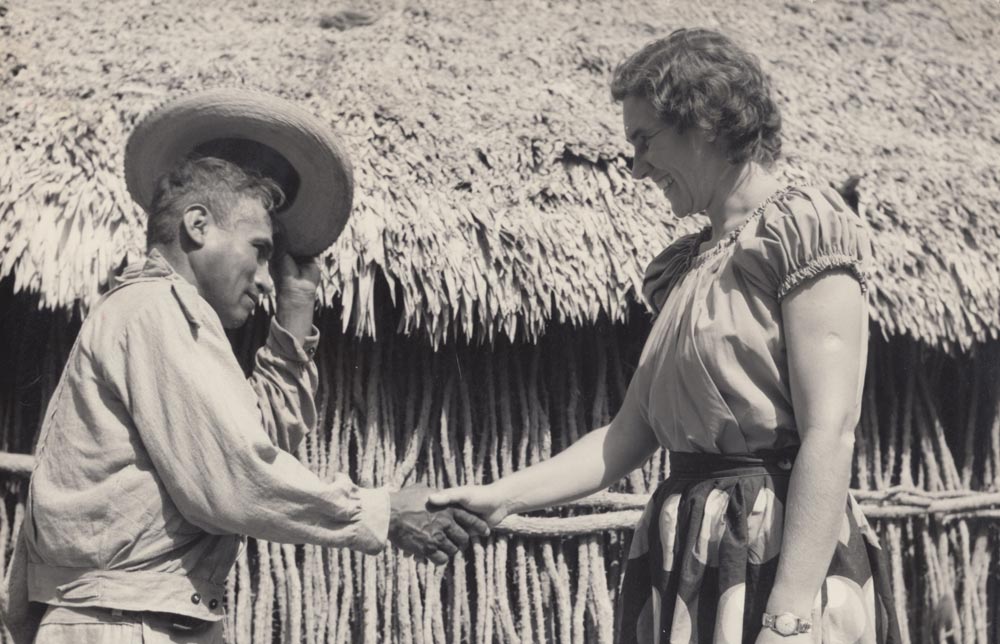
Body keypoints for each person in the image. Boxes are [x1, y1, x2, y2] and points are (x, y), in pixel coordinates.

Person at [431, 29, 901, 642]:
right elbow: (629, 433)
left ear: (704, 121)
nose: (636, 166)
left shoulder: (801, 231)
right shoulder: (691, 265)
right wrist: (502, 496)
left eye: (644, 140)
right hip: (694, 551)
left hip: (776, 549)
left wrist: (789, 614)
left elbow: (830, 431)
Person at [0, 156, 488, 644]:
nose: (265, 278)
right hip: (124, 623)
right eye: (258, 251)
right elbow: (237, 476)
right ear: (197, 226)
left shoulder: (157, 314)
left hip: (143, 617)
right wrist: (386, 512)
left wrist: (296, 308)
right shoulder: (156, 311)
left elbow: (255, 437)